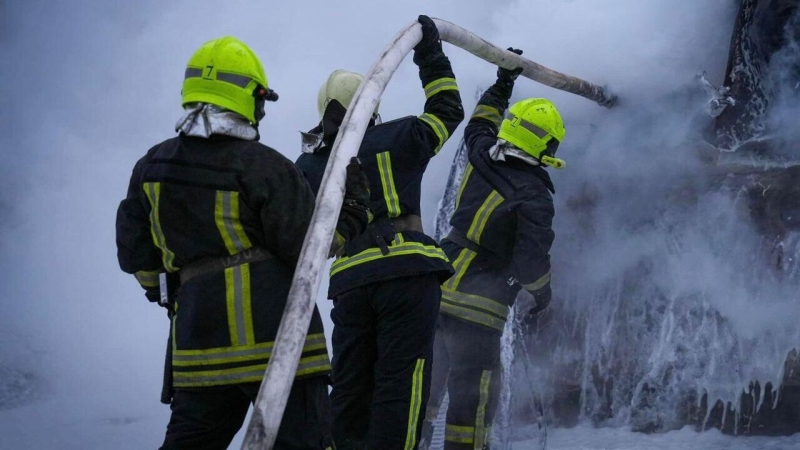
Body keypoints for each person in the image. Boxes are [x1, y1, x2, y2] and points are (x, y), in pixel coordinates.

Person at [115, 36, 370, 450]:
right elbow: (309, 248)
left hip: (199, 351)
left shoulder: (151, 167)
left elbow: (136, 256)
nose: (263, 111)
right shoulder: (265, 166)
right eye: (262, 101)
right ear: (247, 98)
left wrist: (173, 290)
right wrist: (355, 209)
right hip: (280, 348)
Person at [295, 15, 464, 450]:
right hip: (408, 274)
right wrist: (429, 52)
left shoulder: (310, 167)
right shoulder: (404, 135)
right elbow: (448, 109)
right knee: (401, 385)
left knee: (350, 387)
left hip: (351, 282)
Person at [420, 48, 566, 449]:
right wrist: (542, 296)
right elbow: (531, 261)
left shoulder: (481, 152)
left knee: (425, 391)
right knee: (475, 397)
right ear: (546, 147)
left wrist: (504, 82)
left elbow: (481, 120)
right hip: (478, 311)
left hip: (437, 286)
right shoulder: (535, 196)